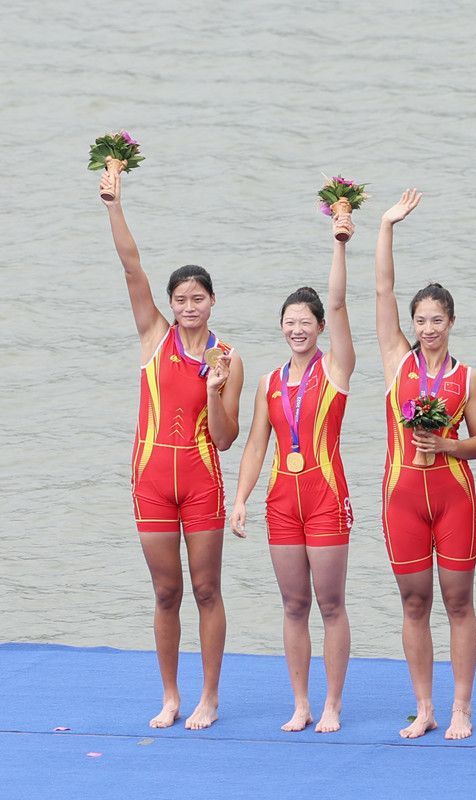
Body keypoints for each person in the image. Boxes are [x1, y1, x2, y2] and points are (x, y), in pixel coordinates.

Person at [100, 168, 245, 730]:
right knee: (166, 591)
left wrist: (214, 389)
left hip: (203, 480)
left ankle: (209, 695)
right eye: (181, 299)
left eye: (198, 298)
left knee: (207, 589)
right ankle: (169, 695)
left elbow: (228, 438)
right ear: (171, 304)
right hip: (154, 480)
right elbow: (131, 267)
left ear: (212, 302)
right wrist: (114, 205)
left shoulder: (228, 357)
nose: (189, 307)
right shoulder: (153, 337)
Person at [228, 211, 357, 733]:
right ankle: (301, 702)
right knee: (293, 603)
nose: (297, 329)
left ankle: (332, 703)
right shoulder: (268, 381)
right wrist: (239, 499)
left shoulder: (337, 368)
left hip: (326, 496)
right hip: (283, 500)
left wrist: (340, 243)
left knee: (330, 603)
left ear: (321, 327)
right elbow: (257, 444)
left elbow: (342, 301)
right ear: (281, 327)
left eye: (307, 322)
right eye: (290, 322)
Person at [375, 190, 476, 739]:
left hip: (452, 495)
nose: (427, 327)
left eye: (436, 319)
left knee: (458, 600)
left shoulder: (468, 378)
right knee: (414, 600)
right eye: (419, 319)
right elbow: (381, 290)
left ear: (451, 321)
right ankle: (425, 707)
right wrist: (386, 226)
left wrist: (446, 447)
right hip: (403, 495)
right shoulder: (397, 362)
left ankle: (462, 706)